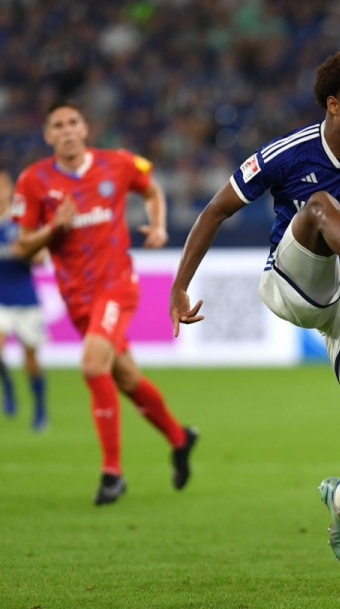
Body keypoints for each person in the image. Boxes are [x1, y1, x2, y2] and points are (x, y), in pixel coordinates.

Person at [170, 49, 340, 564]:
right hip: (293, 280)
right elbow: (215, 211)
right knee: (320, 207)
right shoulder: (288, 154)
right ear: (333, 104)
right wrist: (179, 286)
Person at [12, 100, 198, 506]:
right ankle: (180, 438)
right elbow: (23, 245)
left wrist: (158, 224)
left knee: (93, 365)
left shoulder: (117, 163)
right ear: (48, 135)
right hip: (77, 298)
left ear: (85, 128)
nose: (67, 130)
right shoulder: (33, 181)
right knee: (126, 378)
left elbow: (151, 188)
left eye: (73, 122)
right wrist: (52, 228)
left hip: (116, 285)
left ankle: (113, 473)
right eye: (58, 125)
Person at [0, 168, 48, 431]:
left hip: (26, 299)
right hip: (1, 300)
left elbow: (41, 258)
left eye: (2, 187)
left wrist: (26, 252)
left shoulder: (21, 223)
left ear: (10, 191)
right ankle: (8, 388)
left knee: (31, 359)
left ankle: (40, 408)